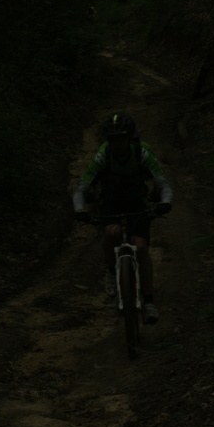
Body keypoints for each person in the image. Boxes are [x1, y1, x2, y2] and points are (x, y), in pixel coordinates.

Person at [72, 113, 173, 324]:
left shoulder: (142, 153)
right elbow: (81, 189)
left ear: (129, 138)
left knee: (141, 247)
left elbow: (162, 184)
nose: (117, 144)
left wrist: (165, 202)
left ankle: (149, 301)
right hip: (111, 203)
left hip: (137, 204)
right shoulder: (103, 156)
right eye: (113, 140)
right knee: (111, 234)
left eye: (121, 138)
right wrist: (80, 209)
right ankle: (111, 271)